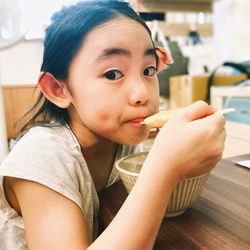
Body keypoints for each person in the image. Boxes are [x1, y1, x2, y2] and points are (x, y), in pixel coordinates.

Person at [0, 1, 226, 249]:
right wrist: (164, 165)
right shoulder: (41, 157)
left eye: (149, 71)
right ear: (58, 89)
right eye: (112, 74)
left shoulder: (123, 140)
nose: (142, 94)